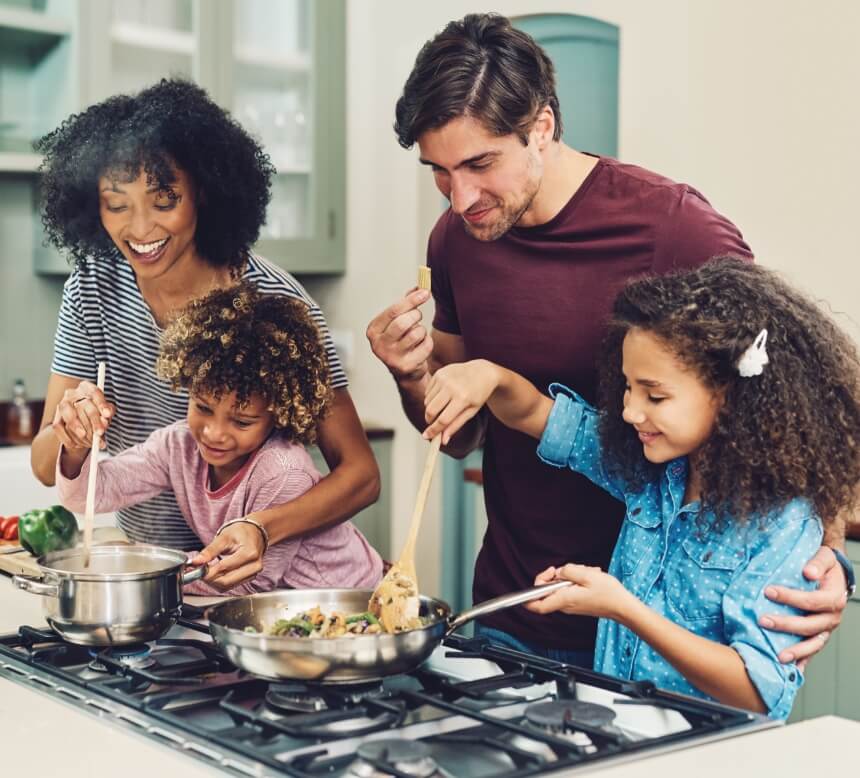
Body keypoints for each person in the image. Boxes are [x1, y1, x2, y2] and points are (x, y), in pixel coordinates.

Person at [366, 13, 849, 666]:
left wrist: (829, 551)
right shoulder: (456, 242)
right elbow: (461, 439)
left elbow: (789, 396)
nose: (461, 198)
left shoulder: (675, 229)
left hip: (673, 641)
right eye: (440, 172)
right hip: (517, 611)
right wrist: (410, 374)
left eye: (480, 164)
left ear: (541, 126)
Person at [421, 259, 860, 718]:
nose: (630, 411)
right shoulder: (648, 470)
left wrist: (623, 608)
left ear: (729, 394)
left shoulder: (782, 524)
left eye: (655, 395)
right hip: (627, 737)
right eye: (627, 388)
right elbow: (536, 413)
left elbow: (755, 689)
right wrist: (489, 376)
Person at [31, 79, 380, 590]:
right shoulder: (92, 289)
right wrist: (72, 433)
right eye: (117, 203)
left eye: (164, 199)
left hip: (252, 586)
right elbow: (47, 465)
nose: (140, 227)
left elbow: (361, 476)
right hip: (157, 575)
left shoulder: (275, 304)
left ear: (204, 194)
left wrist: (261, 527)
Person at [56, 283, 383, 594]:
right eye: (202, 407)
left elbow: (248, 581)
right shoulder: (178, 446)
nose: (214, 433)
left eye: (241, 422)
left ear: (278, 414)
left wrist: (139, 563)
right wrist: (76, 447)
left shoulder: (282, 472)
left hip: (348, 596)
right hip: (278, 606)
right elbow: (88, 495)